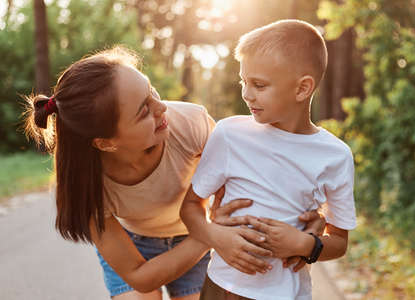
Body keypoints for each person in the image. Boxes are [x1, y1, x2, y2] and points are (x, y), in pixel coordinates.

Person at [23, 46, 324, 300]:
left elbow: (253, 183)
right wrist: (211, 234)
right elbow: (140, 277)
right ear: (106, 142)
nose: (161, 108)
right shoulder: (86, 185)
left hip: (194, 236)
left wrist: (304, 222)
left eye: (152, 91)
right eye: (143, 110)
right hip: (138, 244)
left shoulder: (189, 123)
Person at [180, 19, 357, 300]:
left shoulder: (335, 156)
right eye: (244, 81)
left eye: (259, 85)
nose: (247, 93)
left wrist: (305, 245)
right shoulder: (229, 134)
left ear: (302, 89)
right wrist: (217, 239)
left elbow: (339, 242)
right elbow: (190, 207)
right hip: (222, 289)